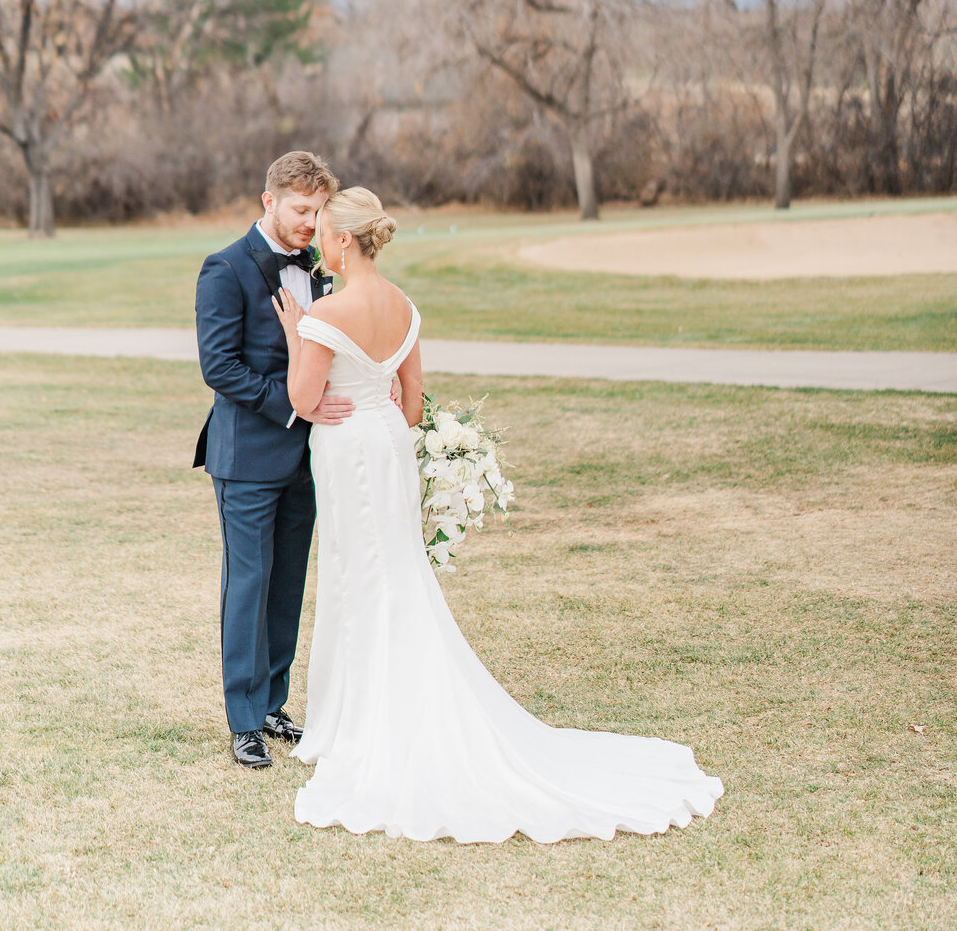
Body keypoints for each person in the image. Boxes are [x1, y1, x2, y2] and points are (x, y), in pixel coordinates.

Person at [272, 186, 724, 844]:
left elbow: (304, 395)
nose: (316, 243)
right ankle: (379, 712)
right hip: (389, 447)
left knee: (354, 577)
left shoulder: (326, 312)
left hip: (347, 452)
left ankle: (359, 725)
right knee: (395, 574)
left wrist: (294, 334)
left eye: (324, 234)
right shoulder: (404, 307)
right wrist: (374, 420)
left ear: (343, 240)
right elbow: (411, 406)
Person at [193, 150, 354, 769]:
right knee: (249, 584)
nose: (311, 222)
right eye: (300, 209)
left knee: (287, 584)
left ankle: (273, 703)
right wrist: (293, 407)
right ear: (270, 202)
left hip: (306, 460)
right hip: (248, 457)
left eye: (318, 211)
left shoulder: (318, 269)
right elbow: (219, 366)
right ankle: (243, 720)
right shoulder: (225, 268)